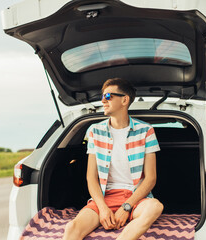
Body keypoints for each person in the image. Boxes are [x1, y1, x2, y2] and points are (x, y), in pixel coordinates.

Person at [63, 78, 163, 240]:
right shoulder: (95, 131)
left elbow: (151, 178)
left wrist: (127, 206)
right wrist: (102, 208)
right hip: (104, 197)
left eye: (108, 96)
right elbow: (91, 177)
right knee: (72, 228)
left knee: (155, 207)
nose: (103, 100)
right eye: (102, 96)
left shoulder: (146, 131)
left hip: (135, 198)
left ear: (125, 99)